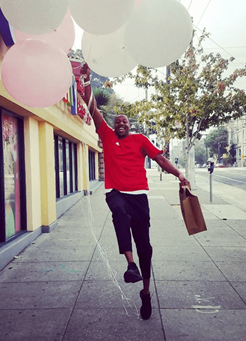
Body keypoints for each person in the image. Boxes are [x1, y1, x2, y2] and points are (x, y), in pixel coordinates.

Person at [80, 63, 190, 320]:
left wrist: (179, 174)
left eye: (124, 121)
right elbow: (93, 108)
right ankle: (130, 265)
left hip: (139, 196)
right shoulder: (107, 135)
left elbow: (160, 159)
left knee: (145, 247)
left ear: (129, 125)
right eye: (117, 121)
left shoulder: (140, 140)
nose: (120, 123)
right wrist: (85, 82)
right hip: (116, 192)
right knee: (119, 212)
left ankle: (145, 292)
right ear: (113, 124)